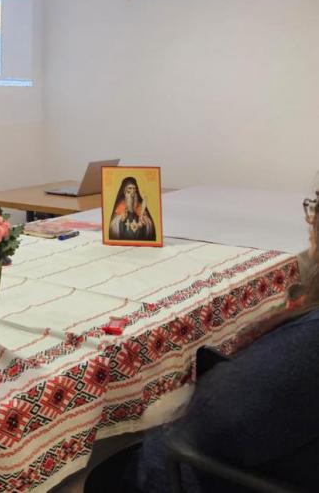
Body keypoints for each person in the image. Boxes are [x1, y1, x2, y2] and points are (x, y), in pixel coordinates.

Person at [85, 192, 319, 493]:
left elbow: (211, 425)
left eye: (315, 208)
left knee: (102, 477)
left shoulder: (304, 345)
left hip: (192, 472)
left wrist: (188, 401)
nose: (309, 220)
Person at [108, 176, 156, 241]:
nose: (132, 191)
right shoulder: (121, 205)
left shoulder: (139, 205)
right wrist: (120, 219)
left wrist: (144, 220)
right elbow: (112, 225)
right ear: (124, 190)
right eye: (129, 188)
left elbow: (149, 222)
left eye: (134, 188)